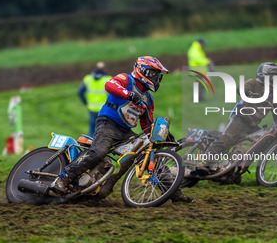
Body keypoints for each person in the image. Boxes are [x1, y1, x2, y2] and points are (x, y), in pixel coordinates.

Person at [51, 56, 195, 202]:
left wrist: (162, 134)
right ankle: (63, 179)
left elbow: (146, 124)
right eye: (153, 74)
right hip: (108, 123)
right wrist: (129, 94)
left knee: (149, 155)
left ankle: (175, 194)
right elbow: (109, 85)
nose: (156, 78)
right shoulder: (126, 79)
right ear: (142, 71)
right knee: (99, 151)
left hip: (126, 131)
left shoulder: (149, 98)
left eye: (158, 75)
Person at [198, 62, 277, 181]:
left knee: (274, 142)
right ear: (265, 76)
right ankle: (204, 163)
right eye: (276, 77)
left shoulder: (274, 96)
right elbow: (241, 89)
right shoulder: (253, 83)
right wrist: (249, 93)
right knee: (227, 139)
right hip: (240, 119)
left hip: (253, 125)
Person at [77, 62, 112, 137]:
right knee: (103, 130)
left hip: (92, 108)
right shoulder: (108, 79)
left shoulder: (88, 79)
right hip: (103, 109)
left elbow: (79, 92)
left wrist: (86, 103)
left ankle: (87, 145)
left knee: (92, 129)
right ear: (104, 69)